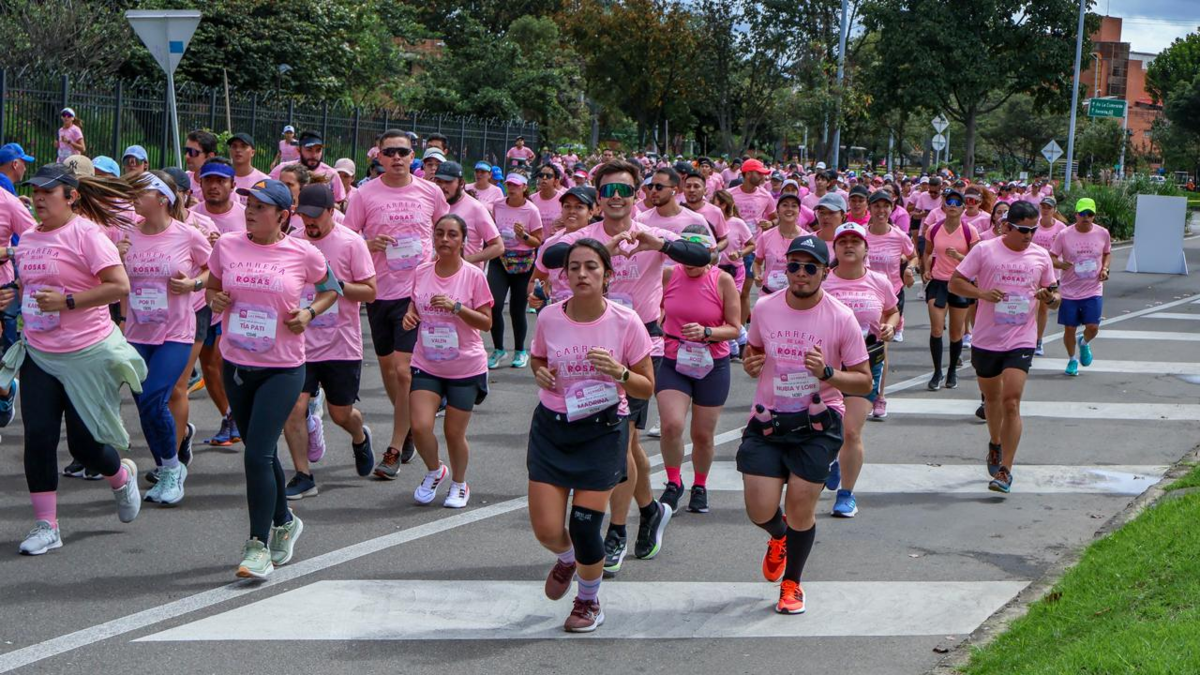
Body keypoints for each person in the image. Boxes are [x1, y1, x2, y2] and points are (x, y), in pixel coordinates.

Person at [539, 160, 711, 577]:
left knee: (621, 440)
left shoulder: (651, 231)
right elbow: (548, 257)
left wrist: (659, 244)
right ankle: (649, 510)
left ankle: (616, 531)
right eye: (608, 191)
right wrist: (603, 252)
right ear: (598, 198)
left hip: (638, 347)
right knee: (628, 447)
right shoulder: (587, 237)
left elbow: (703, 253)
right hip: (584, 348)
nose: (617, 198)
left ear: (639, 195)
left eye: (625, 191)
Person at [7, 164, 144, 555]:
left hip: (87, 354)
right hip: (39, 353)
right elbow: (29, 287)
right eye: (35, 191)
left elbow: (119, 286)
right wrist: (13, 294)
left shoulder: (87, 234)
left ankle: (120, 477)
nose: (38, 198)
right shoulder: (28, 239)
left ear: (71, 196)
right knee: (39, 437)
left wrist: (68, 302)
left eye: (48, 192)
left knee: (84, 446)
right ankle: (46, 526)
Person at [206, 178, 338, 578]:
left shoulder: (303, 252)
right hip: (236, 363)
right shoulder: (227, 246)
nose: (250, 211)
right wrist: (215, 298)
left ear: (283, 215)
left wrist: (309, 313)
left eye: (260, 207)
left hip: (282, 368)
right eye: (249, 204)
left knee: (256, 455)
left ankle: (257, 546)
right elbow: (212, 287)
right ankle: (285, 521)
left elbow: (331, 289)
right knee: (260, 452)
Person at [737, 234, 872, 614]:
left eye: (809, 267)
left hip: (818, 421)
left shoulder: (840, 317)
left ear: (825, 272)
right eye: (793, 265)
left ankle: (792, 584)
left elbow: (863, 381)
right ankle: (779, 536)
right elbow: (754, 350)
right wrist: (751, 363)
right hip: (769, 418)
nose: (800, 273)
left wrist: (828, 373)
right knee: (759, 510)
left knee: (800, 506)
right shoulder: (765, 307)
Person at [527, 238, 655, 632]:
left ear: (607, 275)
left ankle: (588, 601)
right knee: (548, 530)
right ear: (564, 276)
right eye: (574, 267)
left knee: (585, 527)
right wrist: (539, 372)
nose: (582, 274)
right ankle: (567, 558)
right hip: (553, 428)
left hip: (602, 430)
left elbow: (646, 386)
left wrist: (619, 372)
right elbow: (538, 356)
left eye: (591, 267)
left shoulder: (625, 321)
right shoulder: (550, 317)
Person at [343, 129, 449, 479]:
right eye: (390, 152)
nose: (397, 158)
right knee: (389, 370)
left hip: (415, 292)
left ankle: (393, 448)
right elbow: (347, 238)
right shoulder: (364, 194)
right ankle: (407, 428)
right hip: (378, 292)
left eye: (403, 152)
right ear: (379, 156)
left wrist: (444, 272)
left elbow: (446, 231)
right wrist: (369, 244)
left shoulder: (430, 192)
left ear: (412, 155)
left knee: (404, 372)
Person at [949, 200, 1059, 493]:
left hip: (1021, 338)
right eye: (1023, 230)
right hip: (987, 338)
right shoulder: (984, 250)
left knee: (1011, 401)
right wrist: (982, 294)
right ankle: (995, 443)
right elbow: (955, 283)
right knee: (993, 399)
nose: (1029, 236)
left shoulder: (1041, 256)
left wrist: (1049, 298)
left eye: (1033, 230)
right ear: (1007, 227)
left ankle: (1005, 471)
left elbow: (1055, 296)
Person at [281, 184, 377, 499]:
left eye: (315, 215)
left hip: (340, 344)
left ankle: (360, 437)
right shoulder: (292, 242)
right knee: (294, 407)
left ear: (331, 212)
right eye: (303, 215)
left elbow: (370, 291)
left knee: (340, 414)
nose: (308, 221)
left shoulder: (351, 243)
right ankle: (303, 475)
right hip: (300, 344)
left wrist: (336, 284)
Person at [123, 171, 212, 503]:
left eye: (140, 192)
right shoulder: (127, 233)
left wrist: (193, 284)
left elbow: (215, 269)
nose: (134, 198)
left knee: (153, 399)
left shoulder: (187, 235)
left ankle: (173, 470)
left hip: (176, 332)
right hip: (137, 331)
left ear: (162, 198)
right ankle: (165, 466)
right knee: (144, 406)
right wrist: (117, 255)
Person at [402, 214, 493, 508]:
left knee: (454, 433)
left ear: (463, 241)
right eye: (439, 233)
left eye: (452, 234)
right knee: (419, 426)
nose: (444, 239)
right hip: (427, 362)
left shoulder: (473, 276)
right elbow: (414, 305)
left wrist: (457, 307)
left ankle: (459, 483)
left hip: (465, 365)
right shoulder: (421, 272)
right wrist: (409, 316)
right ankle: (434, 470)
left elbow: (486, 322)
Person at [657, 224, 741, 515]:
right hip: (674, 359)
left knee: (703, 435)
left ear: (710, 254)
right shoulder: (669, 275)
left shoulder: (723, 280)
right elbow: (656, 307)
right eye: (685, 255)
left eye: (697, 256)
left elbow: (735, 328)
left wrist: (707, 332)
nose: (689, 263)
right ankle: (673, 481)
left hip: (712, 363)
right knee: (671, 425)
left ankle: (700, 485)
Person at [821, 224, 899, 517]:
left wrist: (889, 325)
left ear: (866, 248)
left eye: (855, 241)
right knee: (829, 428)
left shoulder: (879, 281)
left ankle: (846, 495)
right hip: (828, 364)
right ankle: (833, 459)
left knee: (851, 430)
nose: (849, 245)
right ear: (835, 248)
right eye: (843, 241)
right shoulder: (823, 282)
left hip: (865, 363)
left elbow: (892, 310)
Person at [191, 158, 245, 447]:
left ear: (232, 185)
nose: (214, 186)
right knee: (210, 365)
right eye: (208, 180)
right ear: (199, 184)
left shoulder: (246, 215)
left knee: (231, 364)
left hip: (239, 302)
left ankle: (244, 414)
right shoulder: (192, 217)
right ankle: (229, 416)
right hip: (204, 301)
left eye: (220, 181)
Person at [863, 190, 914, 418]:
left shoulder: (899, 236)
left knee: (880, 348)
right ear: (870, 209)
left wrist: (910, 268)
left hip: (889, 298)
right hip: (863, 297)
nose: (881, 210)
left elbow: (913, 255)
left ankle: (879, 397)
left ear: (892, 209)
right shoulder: (861, 235)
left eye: (885, 206)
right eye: (876, 206)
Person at [921, 188, 979, 391]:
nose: (953, 206)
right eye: (949, 202)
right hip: (938, 283)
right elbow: (927, 252)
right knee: (936, 329)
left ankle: (952, 370)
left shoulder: (970, 231)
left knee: (956, 333)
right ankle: (937, 372)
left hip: (960, 283)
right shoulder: (934, 229)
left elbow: (976, 260)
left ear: (963, 208)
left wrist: (959, 257)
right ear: (944, 207)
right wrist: (926, 270)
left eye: (957, 203)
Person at [486, 173, 543, 369]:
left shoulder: (531, 210)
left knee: (517, 309)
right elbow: (492, 230)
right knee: (494, 304)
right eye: (509, 185)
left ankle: (520, 351)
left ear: (524, 188)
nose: (512, 189)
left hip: (523, 262)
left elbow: (537, 241)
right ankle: (498, 349)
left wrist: (523, 235)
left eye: (516, 186)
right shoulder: (498, 205)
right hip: (500, 258)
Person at [1050, 198, 1111, 377]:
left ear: (1094, 216)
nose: (1086, 217)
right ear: (1076, 214)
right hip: (1069, 290)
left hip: (1093, 289)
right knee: (1069, 328)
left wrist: (1105, 269)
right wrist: (1062, 265)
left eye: (1089, 214)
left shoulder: (1102, 233)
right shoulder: (1064, 235)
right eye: (1082, 213)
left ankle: (1084, 343)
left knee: (1093, 327)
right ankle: (1072, 359)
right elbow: (1052, 257)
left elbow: (1107, 253)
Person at [434, 161, 503, 270]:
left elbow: (498, 247)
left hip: (467, 275)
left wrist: (465, 259)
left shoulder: (476, 208)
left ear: (461, 183)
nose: (442, 186)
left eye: (448, 182)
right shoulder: (432, 204)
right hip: (438, 273)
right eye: (438, 181)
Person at [1031, 196, 1067, 356]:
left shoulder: (1061, 228)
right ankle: (1028, 338)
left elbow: (1066, 249)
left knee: (1043, 307)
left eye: (1049, 207)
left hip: (1051, 273)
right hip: (1032, 271)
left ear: (1054, 210)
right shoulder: (1033, 225)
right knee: (1032, 306)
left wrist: (1064, 265)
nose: (1045, 210)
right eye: (1043, 207)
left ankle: (1038, 340)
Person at [754, 192, 810, 294]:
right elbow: (757, 262)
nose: (789, 209)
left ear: (799, 211)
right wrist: (757, 275)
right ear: (778, 210)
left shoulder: (807, 239)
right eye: (785, 205)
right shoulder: (766, 236)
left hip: (796, 296)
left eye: (794, 206)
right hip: (769, 294)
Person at [268, 131, 346, 203]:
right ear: (299, 150)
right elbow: (266, 193)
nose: (314, 155)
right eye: (309, 150)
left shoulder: (332, 174)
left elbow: (340, 202)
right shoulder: (283, 169)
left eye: (318, 150)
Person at [228, 133, 270, 199]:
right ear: (230, 151)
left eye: (243, 146)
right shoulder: (223, 178)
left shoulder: (264, 181)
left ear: (252, 152)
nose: (238, 150)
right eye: (234, 146)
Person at [184, 130, 219, 202]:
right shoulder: (185, 178)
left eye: (193, 152)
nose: (187, 156)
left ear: (210, 156)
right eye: (186, 151)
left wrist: (199, 207)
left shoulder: (223, 187)